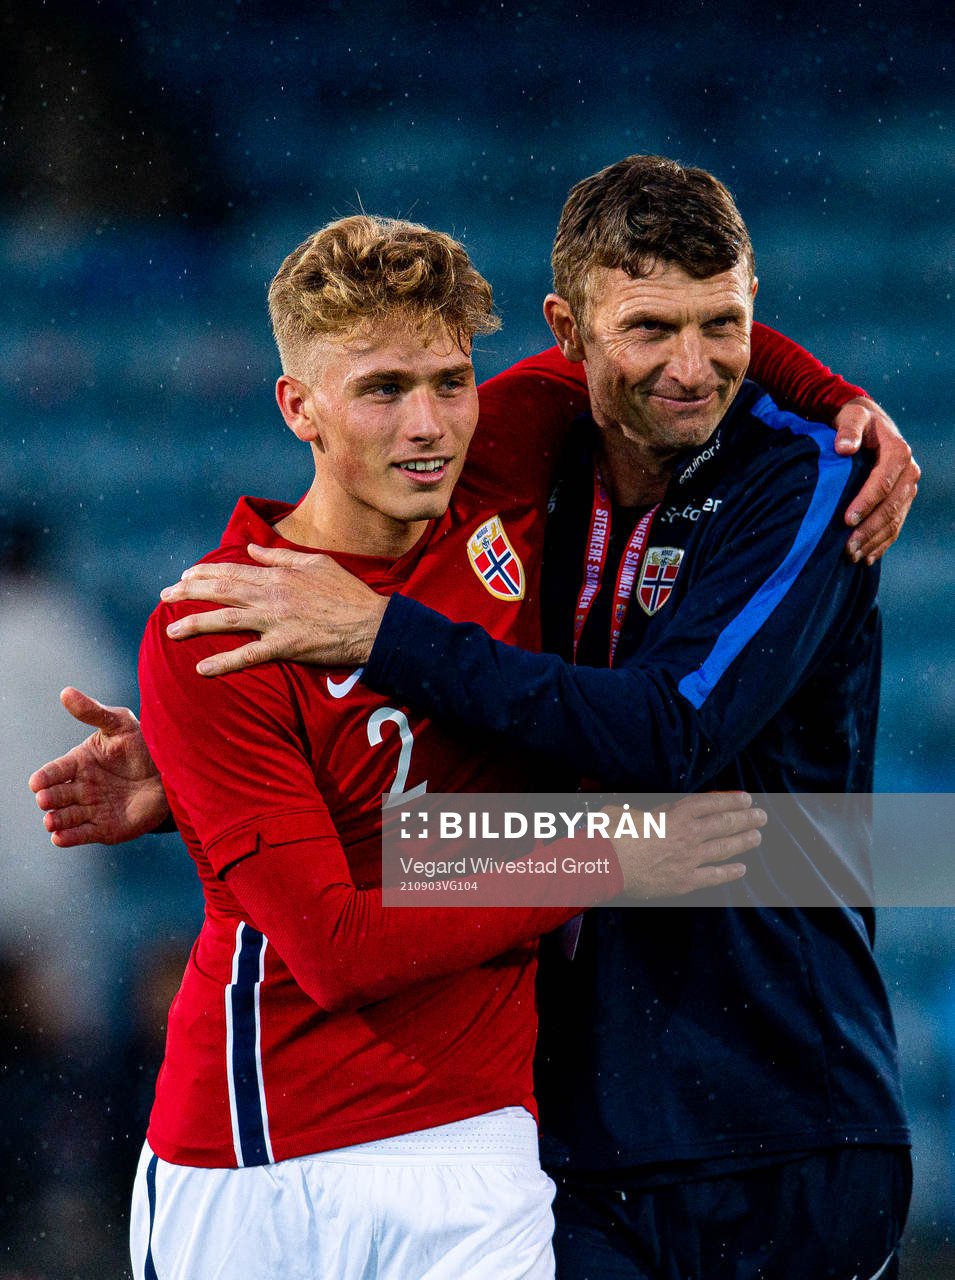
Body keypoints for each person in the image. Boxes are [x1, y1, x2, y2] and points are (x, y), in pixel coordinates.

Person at [30, 163, 919, 1278]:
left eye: (450, 382)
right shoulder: (246, 609)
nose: (429, 421)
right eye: (385, 388)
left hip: (714, 1122)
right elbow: (363, 908)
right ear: (299, 406)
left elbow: (662, 738)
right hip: (414, 1135)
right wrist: (208, 799)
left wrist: (841, 396)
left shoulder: (577, 464)